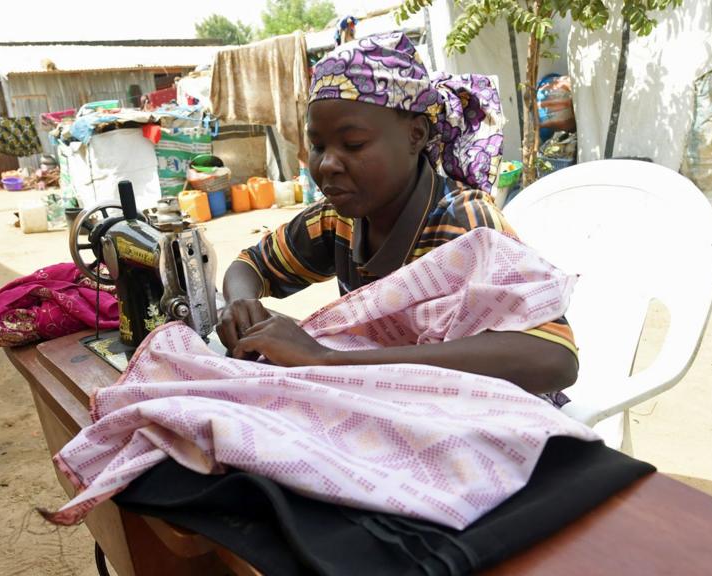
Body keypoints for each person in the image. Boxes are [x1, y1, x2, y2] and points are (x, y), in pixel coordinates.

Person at [218, 32, 577, 398]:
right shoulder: (336, 221)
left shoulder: (466, 226)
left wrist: (325, 358)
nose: (327, 164)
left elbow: (553, 358)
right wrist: (240, 306)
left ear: (415, 135)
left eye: (353, 144)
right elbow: (250, 266)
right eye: (318, 145)